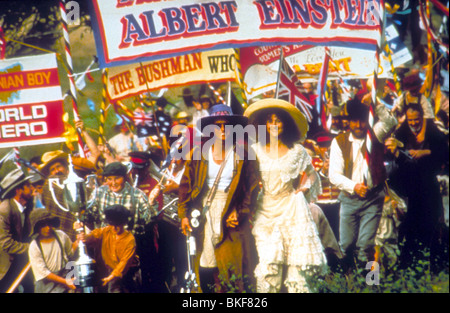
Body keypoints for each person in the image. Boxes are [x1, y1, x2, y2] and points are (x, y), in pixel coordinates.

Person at [244, 98, 327, 293]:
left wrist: (303, 189)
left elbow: (312, 176)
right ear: (264, 124)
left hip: (291, 211)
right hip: (264, 213)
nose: (274, 124)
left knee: (297, 268)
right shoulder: (255, 151)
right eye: (270, 120)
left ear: (285, 124)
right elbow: (245, 181)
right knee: (269, 266)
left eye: (278, 120)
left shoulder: (297, 151)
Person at [178, 104, 260, 293]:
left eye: (227, 125)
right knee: (206, 263)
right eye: (218, 125)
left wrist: (240, 212)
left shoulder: (244, 153)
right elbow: (186, 186)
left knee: (233, 263)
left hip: (231, 210)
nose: (222, 129)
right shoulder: (199, 153)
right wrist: (183, 214)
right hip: (205, 209)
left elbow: (252, 188)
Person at [385, 102, 448, 270]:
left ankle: (433, 266)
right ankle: (402, 269)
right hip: (409, 189)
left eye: (416, 119)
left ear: (422, 117)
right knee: (410, 228)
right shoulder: (401, 132)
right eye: (410, 120)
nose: (413, 123)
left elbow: (443, 152)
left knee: (431, 226)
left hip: (429, 186)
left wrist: (426, 152)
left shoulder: (433, 132)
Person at [329, 98, 387, 272]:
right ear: (349, 122)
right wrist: (354, 186)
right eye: (355, 121)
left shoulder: (376, 134)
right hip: (349, 199)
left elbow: (390, 121)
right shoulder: (339, 142)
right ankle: (348, 281)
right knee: (346, 245)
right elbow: (333, 175)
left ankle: (371, 282)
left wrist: (376, 103)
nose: (359, 125)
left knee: (366, 245)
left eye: (362, 120)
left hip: (373, 198)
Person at [82, 161, 157, 291]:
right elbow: (89, 216)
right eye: (109, 179)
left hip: (127, 253)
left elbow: (149, 220)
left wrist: (151, 203)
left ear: (125, 177)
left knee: (127, 288)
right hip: (104, 253)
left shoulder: (137, 195)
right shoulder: (99, 193)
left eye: (117, 178)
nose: (113, 182)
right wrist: (80, 218)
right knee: (103, 287)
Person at [76, 205, 140, 293]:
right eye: (111, 224)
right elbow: (94, 235)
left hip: (119, 275)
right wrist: (84, 237)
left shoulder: (130, 240)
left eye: (117, 225)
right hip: (102, 270)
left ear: (123, 223)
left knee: (115, 289)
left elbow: (124, 263)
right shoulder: (106, 230)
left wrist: (111, 277)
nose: (114, 228)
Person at [0, 168, 34, 293]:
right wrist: (32, 248)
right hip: (5, 268)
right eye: (28, 186)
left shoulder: (29, 207)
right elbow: (6, 243)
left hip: (22, 263)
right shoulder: (5, 209)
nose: (32, 188)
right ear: (18, 190)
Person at [28, 209, 77, 293]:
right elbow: (44, 273)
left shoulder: (61, 236)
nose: (47, 228)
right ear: (37, 227)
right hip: (47, 285)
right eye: (43, 225)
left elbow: (70, 254)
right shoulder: (34, 247)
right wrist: (65, 281)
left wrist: (78, 241)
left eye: (49, 224)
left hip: (65, 279)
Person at [39, 150, 78, 241]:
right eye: (52, 169)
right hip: (59, 233)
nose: (56, 171)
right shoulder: (49, 185)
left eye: (58, 167)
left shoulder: (73, 181)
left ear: (66, 168)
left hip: (77, 232)